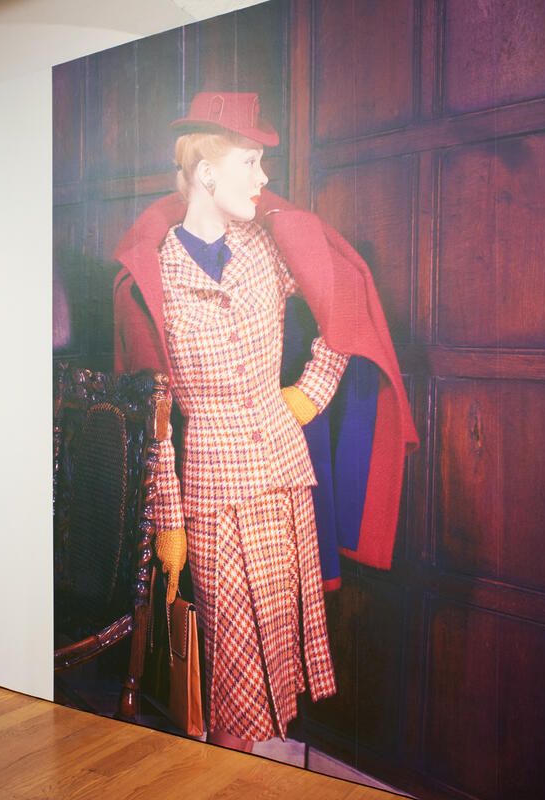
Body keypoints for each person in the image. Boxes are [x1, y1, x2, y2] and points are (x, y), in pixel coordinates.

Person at [112, 92, 418, 751]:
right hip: (213, 482)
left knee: (279, 637)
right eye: (251, 163)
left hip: (282, 472)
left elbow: (345, 314)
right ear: (206, 173)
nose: (265, 180)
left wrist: (308, 395)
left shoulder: (270, 249)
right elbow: (155, 415)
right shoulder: (151, 276)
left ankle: (270, 766)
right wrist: (168, 519)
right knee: (228, 664)